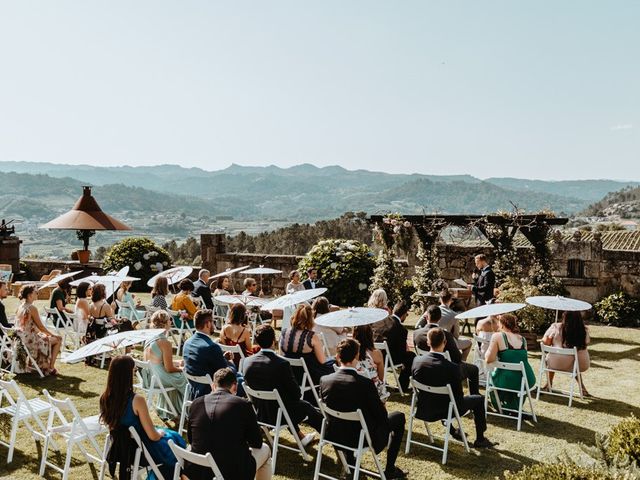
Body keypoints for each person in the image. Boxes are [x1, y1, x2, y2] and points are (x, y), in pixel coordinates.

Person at [321, 338, 406, 479]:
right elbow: (380, 416)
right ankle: (390, 469)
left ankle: (351, 462)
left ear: (337, 356)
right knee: (399, 417)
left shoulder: (325, 380)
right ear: (356, 356)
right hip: (362, 437)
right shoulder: (365, 383)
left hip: (336, 436)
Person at [100, 356, 185, 480]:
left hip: (119, 448)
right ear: (127, 375)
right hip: (141, 449)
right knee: (174, 439)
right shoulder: (136, 400)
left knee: (171, 438)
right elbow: (153, 436)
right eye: (133, 371)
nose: (134, 374)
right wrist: (160, 433)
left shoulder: (104, 398)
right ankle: (180, 474)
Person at [412, 328, 494, 448]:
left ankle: (452, 430)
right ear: (444, 343)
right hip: (446, 410)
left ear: (428, 342)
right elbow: (458, 398)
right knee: (479, 399)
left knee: (447, 399)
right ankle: (480, 439)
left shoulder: (416, 361)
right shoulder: (452, 368)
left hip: (424, 408)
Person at [186, 368, 272, 480]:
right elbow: (257, 443)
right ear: (235, 386)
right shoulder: (243, 405)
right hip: (230, 473)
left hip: (197, 470)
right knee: (265, 449)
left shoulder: (196, 403)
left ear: (213, 386)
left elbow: (191, 440)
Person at [243, 325, 322, 445]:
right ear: (274, 341)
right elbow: (296, 394)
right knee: (307, 408)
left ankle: (301, 438)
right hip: (280, 414)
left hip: (261, 413)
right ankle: (336, 440)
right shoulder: (281, 364)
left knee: (284, 402)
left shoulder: (247, 362)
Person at [414, 305, 480, 395]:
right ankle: (475, 394)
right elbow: (457, 357)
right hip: (445, 371)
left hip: (426, 368)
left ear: (426, 317)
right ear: (440, 318)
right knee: (474, 369)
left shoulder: (417, 333)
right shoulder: (445, 335)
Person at [484, 313, 536, 410]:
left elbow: (489, 359)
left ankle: (501, 405)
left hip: (507, 381)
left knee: (494, 378)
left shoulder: (497, 336)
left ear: (502, 325)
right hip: (526, 379)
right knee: (507, 376)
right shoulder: (522, 339)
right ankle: (511, 406)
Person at [143, 311, 187, 420]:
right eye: (169, 320)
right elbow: (169, 368)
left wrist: (178, 362)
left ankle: (175, 410)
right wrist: (182, 369)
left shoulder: (149, 339)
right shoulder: (165, 342)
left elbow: (159, 362)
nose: (171, 322)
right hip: (160, 379)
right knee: (186, 378)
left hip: (151, 377)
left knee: (179, 376)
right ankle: (187, 410)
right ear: (165, 323)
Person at [279, 304, 334, 384]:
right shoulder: (311, 337)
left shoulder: (284, 333)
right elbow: (322, 361)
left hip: (289, 375)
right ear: (310, 319)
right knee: (333, 364)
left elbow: (281, 355)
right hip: (308, 377)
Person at [14, 285, 62, 375]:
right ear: (30, 295)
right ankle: (51, 368)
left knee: (46, 337)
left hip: (21, 340)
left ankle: (33, 364)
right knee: (58, 340)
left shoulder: (20, 307)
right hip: (30, 342)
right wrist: (53, 335)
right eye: (36, 292)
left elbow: (30, 326)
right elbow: (41, 327)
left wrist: (45, 335)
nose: (38, 294)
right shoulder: (32, 308)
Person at [182, 309, 230, 398]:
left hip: (193, 388)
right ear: (208, 324)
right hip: (211, 390)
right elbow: (225, 374)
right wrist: (232, 364)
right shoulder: (212, 346)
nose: (214, 325)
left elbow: (201, 361)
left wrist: (223, 358)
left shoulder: (187, 343)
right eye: (213, 322)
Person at [542, 310, 591, 396]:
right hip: (582, 364)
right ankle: (582, 388)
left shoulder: (556, 327)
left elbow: (546, 343)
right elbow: (586, 342)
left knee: (552, 356)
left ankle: (548, 385)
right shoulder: (584, 330)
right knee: (574, 360)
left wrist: (553, 337)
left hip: (558, 363)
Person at [371, 299, 415, 392]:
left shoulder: (379, 321)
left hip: (372, 354)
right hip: (386, 358)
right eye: (406, 315)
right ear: (403, 315)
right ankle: (403, 387)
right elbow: (401, 352)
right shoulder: (401, 329)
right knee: (410, 356)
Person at [353, 325, 388, 400]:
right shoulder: (376, 353)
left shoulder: (350, 353)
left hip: (354, 390)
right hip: (373, 393)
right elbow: (381, 378)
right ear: (371, 335)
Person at [219, 303, 252, 367]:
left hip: (228, 361)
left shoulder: (224, 328)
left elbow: (222, 345)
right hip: (241, 362)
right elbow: (249, 348)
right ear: (243, 316)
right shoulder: (245, 331)